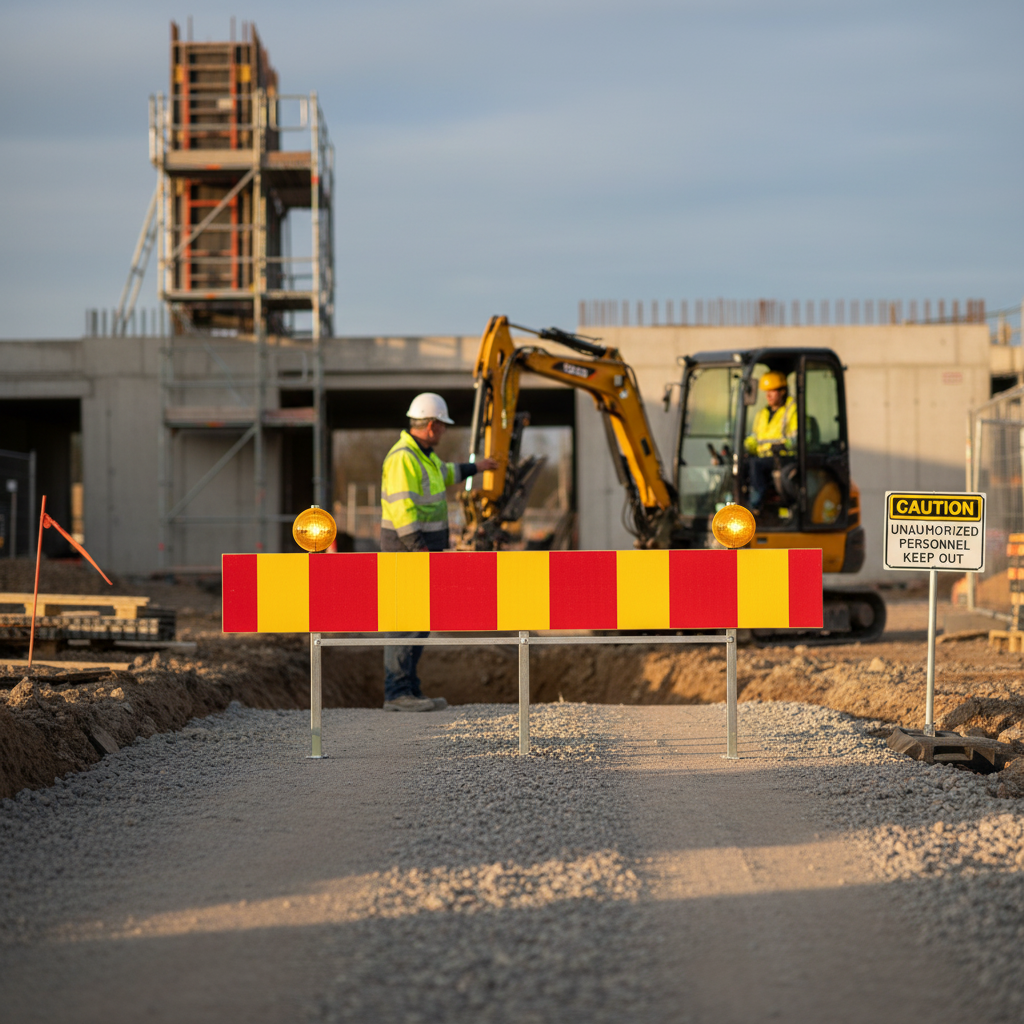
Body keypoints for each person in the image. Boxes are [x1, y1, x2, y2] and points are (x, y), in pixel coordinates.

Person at [379, 393, 498, 711]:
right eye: (442, 426)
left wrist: (478, 467)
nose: (444, 431)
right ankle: (397, 693)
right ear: (431, 425)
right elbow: (402, 510)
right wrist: (419, 550)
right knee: (404, 622)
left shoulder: (423, 456)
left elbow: (447, 473)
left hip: (422, 550)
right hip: (409, 552)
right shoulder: (403, 457)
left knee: (419, 621)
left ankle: (409, 690)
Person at [744, 371, 797, 513]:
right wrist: (744, 447)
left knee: (756, 465)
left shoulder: (792, 410)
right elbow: (754, 438)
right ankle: (738, 505)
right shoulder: (762, 414)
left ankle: (755, 505)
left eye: (772, 391)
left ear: (783, 392)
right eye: (767, 392)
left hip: (784, 457)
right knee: (741, 465)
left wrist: (784, 444)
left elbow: (797, 437)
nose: (768, 395)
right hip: (765, 457)